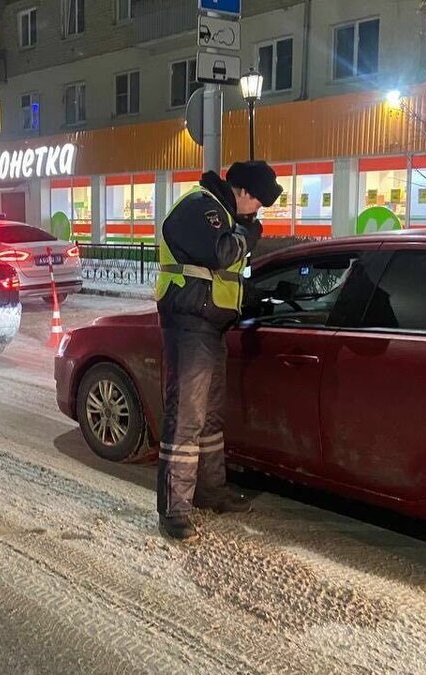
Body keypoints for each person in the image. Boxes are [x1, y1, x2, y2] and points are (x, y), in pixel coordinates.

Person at [154, 161, 283, 542]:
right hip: (189, 323)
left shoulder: (223, 212)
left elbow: (224, 275)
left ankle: (210, 491)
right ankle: (174, 511)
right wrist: (248, 233)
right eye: (259, 200)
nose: (259, 209)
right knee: (186, 420)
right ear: (242, 191)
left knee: (209, 417)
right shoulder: (202, 207)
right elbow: (221, 253)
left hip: (211, 325)